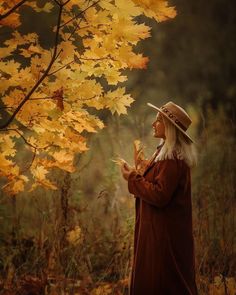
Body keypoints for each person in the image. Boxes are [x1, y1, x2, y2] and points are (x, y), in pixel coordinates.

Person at [121, 101, 199, 295]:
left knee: (162, 281)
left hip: (163, 236)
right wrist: (143, 168)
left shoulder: (173, 158)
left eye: (158, 121)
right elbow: (160, 181)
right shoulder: (166, 152)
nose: (153, 124)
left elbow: (159, 195)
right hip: (159, 232)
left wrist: (132, 177)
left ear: (169, 127)